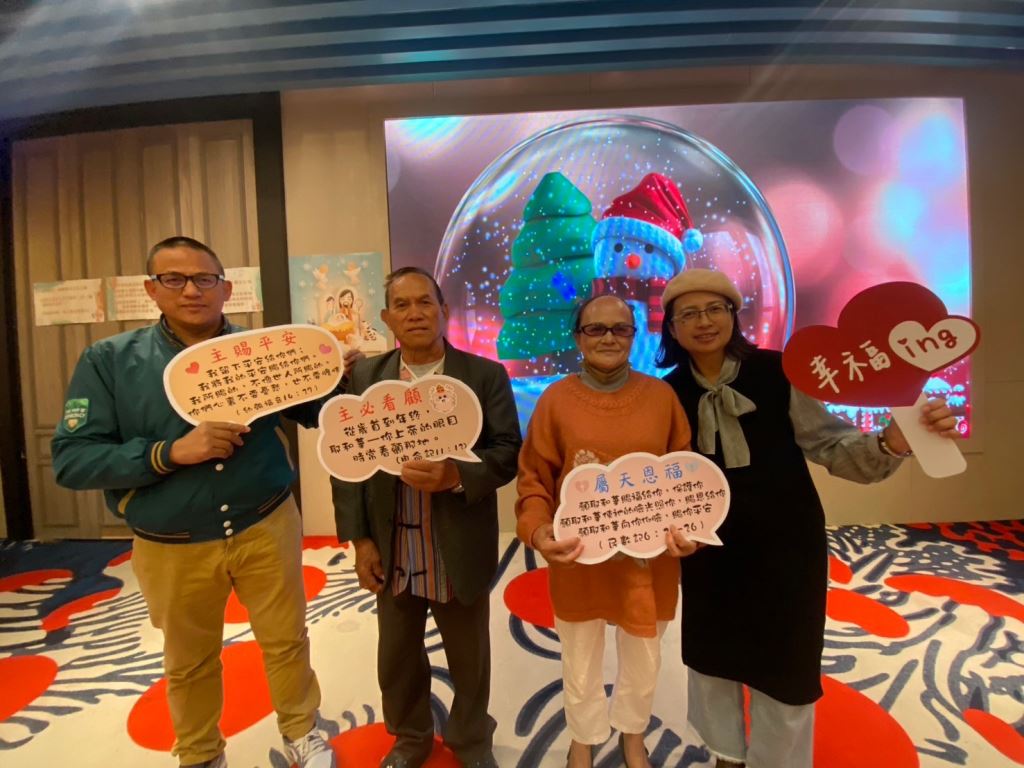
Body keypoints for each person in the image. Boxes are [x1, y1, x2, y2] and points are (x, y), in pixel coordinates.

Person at [655, 268, 961, 768]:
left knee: (787, 662)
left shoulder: (780, 372)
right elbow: (659, 478)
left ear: (734, 315)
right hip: (708, 550)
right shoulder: (665, 392)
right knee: (712, 657)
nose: (703, 322)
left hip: (787, 544)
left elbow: (831, 445)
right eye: (688, 314)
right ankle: (725, 754)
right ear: (671, 328)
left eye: (715, 309)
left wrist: (888, 443)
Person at [51, 236, 337, 768]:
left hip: (266, 521)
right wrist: (168, 453)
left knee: (286, 639)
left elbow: (317, 410)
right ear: (151, 289)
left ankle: (302, 730)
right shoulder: (109, 361)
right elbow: (72, 460)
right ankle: (201, 753)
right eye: (174, 279)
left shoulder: (263, 351)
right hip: (171, 542)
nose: (191, 291)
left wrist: (337, 373)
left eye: (205, 279)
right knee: (189, 660)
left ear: (226, 289)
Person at [332, 267, 522, 768]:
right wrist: (360, 542)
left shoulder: (483, 375)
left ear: (444, 311)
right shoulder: (364, 378)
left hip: (455, 543)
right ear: (386, 317)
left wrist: (457, 475)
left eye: (425, 302)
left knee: (469, 658)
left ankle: (471, 742)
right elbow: (347, 466)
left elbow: (508, 451)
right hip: (392, 543)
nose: (415, 313)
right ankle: (411, 737)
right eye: (403, 304)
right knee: (396, 656)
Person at [516, 294, 699, 768]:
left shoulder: (661, 398)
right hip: (578, 554)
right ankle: (584, 737)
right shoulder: (555, 401)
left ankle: (633, 734)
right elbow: (534, 479)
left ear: (634, 336)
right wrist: (538, 531)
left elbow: (685, 473)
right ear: (578, 338)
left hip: (649, 557)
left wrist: (688, 528)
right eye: (596, 329)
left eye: (620, 329)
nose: (608, 338)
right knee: (579, 657)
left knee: (644, 654)